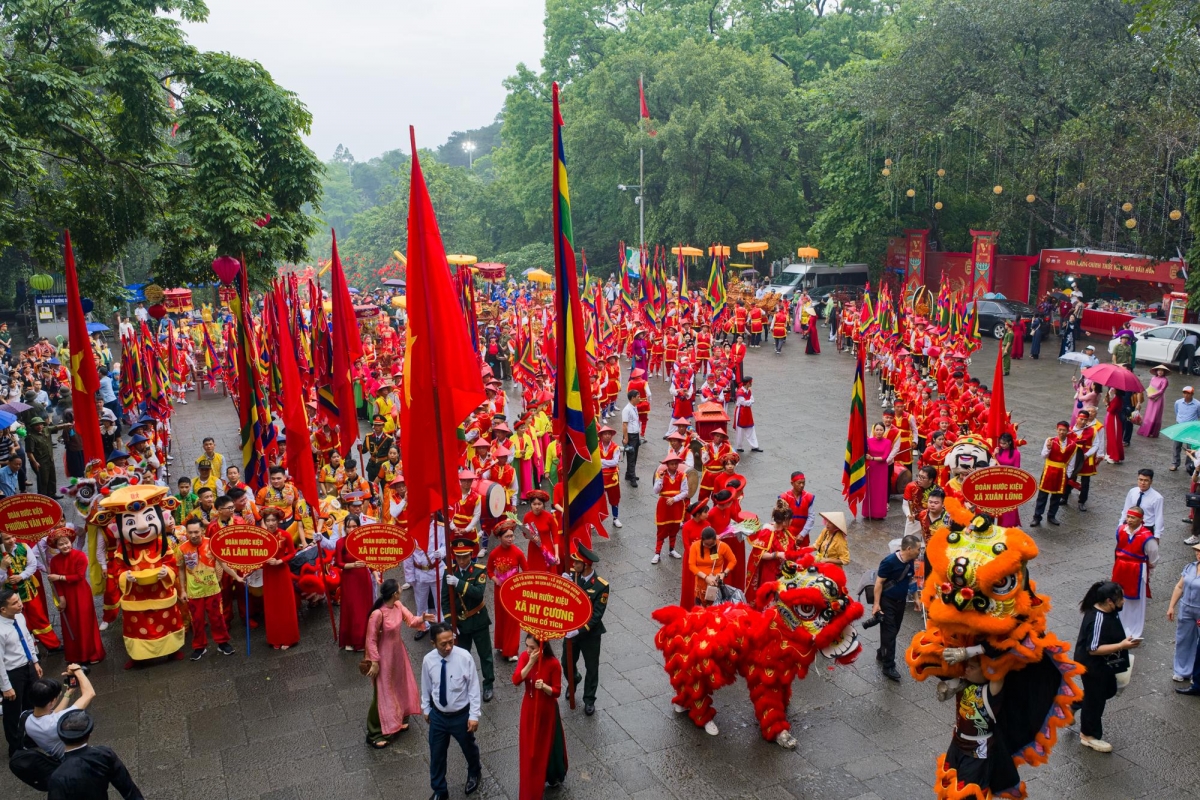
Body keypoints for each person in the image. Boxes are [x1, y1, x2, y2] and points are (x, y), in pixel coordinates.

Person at [1073, 581, 1140, 753]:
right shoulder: (1097, 618)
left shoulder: (1108, 611)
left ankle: (1072, 704)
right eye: (1120, 598)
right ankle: (1088, 735)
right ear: (1109, 601)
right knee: (1095, 700)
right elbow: (1093, 649)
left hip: (1103, 665)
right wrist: (1121, 646)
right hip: (1093, 665)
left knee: (1108, 690)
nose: (1123, 601)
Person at [365, 578, 430, 748]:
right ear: (395, 594)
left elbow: (411, 621)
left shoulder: (398, 606)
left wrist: (422, 618)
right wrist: (374, 662)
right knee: (383, 692)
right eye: (400, 588)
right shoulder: (378, 614)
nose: (402, 590)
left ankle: (400, 718)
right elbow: (371, 639)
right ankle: (375, 731)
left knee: (400, 685)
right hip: (384, 656)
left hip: (398, 654)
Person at [421, 622, 483, 800]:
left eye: (451, 641)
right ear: (433, 643)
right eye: (443, 644)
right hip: (438, 716)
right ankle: (440, 789)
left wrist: (474, 716)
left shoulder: (464, 657)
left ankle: (474, 772)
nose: (448, 647)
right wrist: (426, 708)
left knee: (468, 747)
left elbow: (473, 688)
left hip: (461, 716)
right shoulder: (428, 660)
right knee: (437, 754)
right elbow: (426, 686)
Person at [513, 634, 568, 798]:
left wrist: (544, 686)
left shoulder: (553, 664)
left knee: (545, 745)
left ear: (542, 648)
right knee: (529, 749)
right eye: (527, 646)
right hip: (529, 709)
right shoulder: (525, 657)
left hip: (546, 711)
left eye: (533, 648)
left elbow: (556, 691)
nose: (528, 651)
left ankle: (551, 773)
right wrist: (530, 663)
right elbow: (516, 679)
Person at [46, 709, 143, 800]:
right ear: (89, 735)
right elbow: (129, 789)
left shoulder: (57, 777)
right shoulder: (104, 754)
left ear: (61, 737)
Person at [442, 538, 495, 702]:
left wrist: (458, 583)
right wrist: (451, 623)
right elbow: (445, 600)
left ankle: (488, 685)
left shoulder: (479, 571)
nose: (462, 560)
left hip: (478, 620)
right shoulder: (449, 572)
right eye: (458, 557)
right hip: (461, 623)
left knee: (485, 654)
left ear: (471, 555)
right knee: (462, 656)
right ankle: (463, 685)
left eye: (465, 556)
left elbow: (478, 593)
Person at [46, 531, 106, 664]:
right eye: (61, 544)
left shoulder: (80, 556)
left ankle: (92, 654)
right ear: (56, 546)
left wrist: (60, 577)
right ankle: (75, 656)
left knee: (85, 623)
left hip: (80, 593)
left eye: (66, 543)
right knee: (70, 624)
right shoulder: (54, 561)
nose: (65, 546)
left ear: (71, 542)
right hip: (66, 594)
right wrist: (61, 598)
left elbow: (79, 576)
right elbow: (56, 583)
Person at [562, 542, 607, 716]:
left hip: (590, 633)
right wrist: (563, 585)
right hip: (571, 630)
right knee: (566, 663)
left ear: (586, 565)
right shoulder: (573, 576)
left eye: (577, 563)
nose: (573, 566)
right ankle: (573, 681)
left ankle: (589, 699)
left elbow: (596, 615)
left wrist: (579, 630)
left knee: (591, 667)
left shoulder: (601, 585)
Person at [871, 535, 921, 682]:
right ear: (909, 549)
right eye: (918, 549)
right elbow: (879, 583)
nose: (920, 551)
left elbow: (911, 580)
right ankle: (888, 666)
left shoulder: (911, 561)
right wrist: (876, 604)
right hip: (887, 602)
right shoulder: (889, 562)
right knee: (890, 633)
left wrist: (916, 599)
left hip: (901, 602)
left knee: (893, 631)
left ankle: (882, 652)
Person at [1, 588, 43, 757]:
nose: (20, 604)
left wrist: (35, 661)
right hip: (12, 672)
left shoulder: (19, 616)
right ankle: (15, 747)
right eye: (15, 603)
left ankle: (32, 738)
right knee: (12, 712)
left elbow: (26, 637)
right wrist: (5, 686)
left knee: (31, 704)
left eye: (19, 600)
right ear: (3, 609)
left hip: (27, 666)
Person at [24, 662, 95, 760]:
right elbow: (89, 694)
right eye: (57, 697)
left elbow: (53, 715)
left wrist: (68, 693)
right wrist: (78, 670)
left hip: (61, 759)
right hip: (77, 759)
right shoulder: (54, 723)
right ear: (52, 702)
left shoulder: (28, 720)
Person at [1111, 507, 1158, 639]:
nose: (1129, 520)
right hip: (1120, 568)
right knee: (1118, 596)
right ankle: (1118, 624)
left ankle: (1133, 629)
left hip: (1137, 571)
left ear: (1141, 520)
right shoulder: (1120, 530)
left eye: (1133, 518)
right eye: (1128, 517)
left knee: (1135, 601)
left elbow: (1153, 558)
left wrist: (1149, 575)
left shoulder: (1148, 538)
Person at [486, 520, 527, 662]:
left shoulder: (518, 553)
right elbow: (489, 570)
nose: (510, 539)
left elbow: (526, 571)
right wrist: (495, 579)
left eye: (512, 536)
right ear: (499, 538)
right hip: (500, 591)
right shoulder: (494, 554)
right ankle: (502, 644)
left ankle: (511, 650)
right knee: (501, 619)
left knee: (513, 621)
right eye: (507, 537)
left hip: (514, 592)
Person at [259, 506, 299, 650]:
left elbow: (292, 553)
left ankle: (289, 638)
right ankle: (275, 638)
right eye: (268, 520)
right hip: (268, 573)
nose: (271, 523)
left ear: (278, 521)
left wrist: (280, 561)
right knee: (271, 605)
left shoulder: (285, 535)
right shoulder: (261, 537)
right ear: (264, 522)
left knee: (285, 604)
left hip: (281, 572)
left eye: (273, 520)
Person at [335, 514, 373, 653]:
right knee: (351, 608)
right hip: (349, 579)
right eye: (349, 526)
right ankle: (350, 640)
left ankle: (363, 640)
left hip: (363, 579)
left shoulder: (365, 540)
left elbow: (371, 559)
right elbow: (338, 563)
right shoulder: (340, 543)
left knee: (363, 609)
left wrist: (376, 573)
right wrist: (353, 565)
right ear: (345, 528)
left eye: (354, 526)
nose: (352, 529)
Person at [1031, 421, 1077, 527]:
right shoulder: (1050, 441)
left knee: (1056, 496)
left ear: (1068, 431)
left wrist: (1068, 475)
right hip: (1049, 471)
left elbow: (1071, 462)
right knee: (1042, 496)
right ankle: (1037, 517)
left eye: (1064, 430)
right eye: (1060, 430)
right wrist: (1048, 448)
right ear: (1057, 430)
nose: (1061, 432)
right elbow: (1043, 456)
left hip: (1061, 473)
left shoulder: (1072, 445)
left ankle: (1051, 515)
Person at [1168, 544, 1200, 687]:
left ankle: (1197, 673)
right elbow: (1179, 587)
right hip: (1186, 608)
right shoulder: (1190, 567)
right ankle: (1181, 670)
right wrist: (1171, 606)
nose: (1198, 554)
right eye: (1197, 551)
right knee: (1183, 639)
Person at [746, 503, 789, 604]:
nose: (792, 521)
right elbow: (759, 555)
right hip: (769, 572)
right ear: (784, 521)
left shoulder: (786, 531)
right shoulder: (767, 532)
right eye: (790, 519)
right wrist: (777, 554)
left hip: (784, 571)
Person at [651, 453, 687, 564]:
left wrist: (674, 499)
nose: (674, 466)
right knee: (661, 529)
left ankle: (672, 549)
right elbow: (655, 491)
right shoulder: (661, 474)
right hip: (663, 505)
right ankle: (657, 553)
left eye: (676, 464)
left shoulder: (682, 475)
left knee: (674, 528)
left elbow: (686, 492)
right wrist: (660, 480)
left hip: (676, 505)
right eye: (672, 464)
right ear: (667, 465)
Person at [688, 526, 735, 610]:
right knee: (700, 609)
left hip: (716, 582)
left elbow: (733, 561)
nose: (709, 546)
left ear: (715, 540)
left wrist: (724, 573)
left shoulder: (722, 546)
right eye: (706, 544)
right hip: (700, 582)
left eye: (711, 544)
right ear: (702, 540)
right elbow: (691, 565)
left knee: (715, 609)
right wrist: (705, 577)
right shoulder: (695, 546)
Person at [1119, 469, 1164, 536]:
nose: (1142, 483)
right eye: (1140, 479)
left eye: (1146, 480)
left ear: (1151, 482)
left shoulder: (1157, 498)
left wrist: (1157, 535)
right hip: (1130, 525)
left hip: (1146, 527)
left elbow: (1159, 517)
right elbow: (1126, 509)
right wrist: (1120, 524)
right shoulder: (1132, 491)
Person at [864, 422, 893, 520]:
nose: (879, 432)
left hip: (881, 469)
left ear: (884, 431)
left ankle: (879, 513)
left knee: (880, 490)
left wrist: (872, 458)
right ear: (874, 431)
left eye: (881, 430)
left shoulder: (888, 442)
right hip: (871, 468)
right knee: (870, 489)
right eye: (877, 430)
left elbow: (884, 457)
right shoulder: (868, 441)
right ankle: (868, 512)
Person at [1171, 386, 1200, 471]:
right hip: (1179, 426)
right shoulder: (1178, 402)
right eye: (1185, 393)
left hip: (1191, 428)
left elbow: (1199, 414)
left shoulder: (1197, 404)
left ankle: (1189, 465)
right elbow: (1176, 412)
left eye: (1188, 393)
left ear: (1192, 394)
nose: (1186, 395)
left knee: (1190, 447)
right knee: (1176, 445)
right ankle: (1175, 463)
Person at [1137, 364, 1170, 437]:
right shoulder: (1153, 378)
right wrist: (1148, 393)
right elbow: (1150, 387)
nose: (1160, 372)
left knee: (1155, 414)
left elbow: (1162, 390)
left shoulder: (1165, 380)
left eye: (1162, 371)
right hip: (1151, 399)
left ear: (1164, 372)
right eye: (1159, 370)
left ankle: (1152, 431)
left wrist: (1152, 395)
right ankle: (1145, 429)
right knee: (1148, 413)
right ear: (1156, 371)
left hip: (1158, 399)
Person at [620, 389, 641, 487]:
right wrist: (626, 438)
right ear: (632, 398)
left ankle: (629, 474)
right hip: (630, 435)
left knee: (635, 455)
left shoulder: (634, 407)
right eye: (638, 397)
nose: (639, 398)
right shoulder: (627, 409)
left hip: (635, 434)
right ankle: (632, 478)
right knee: (631, 457)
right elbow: (625, 424)